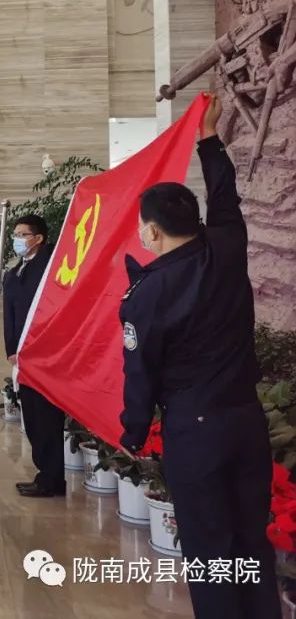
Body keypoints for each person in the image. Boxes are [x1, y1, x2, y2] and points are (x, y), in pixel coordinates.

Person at [119, 95, 279, 619]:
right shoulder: (227, 249)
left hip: (196, 430)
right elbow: (226, 197)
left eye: (142, 226)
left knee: (210, 547)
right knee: (250, 539)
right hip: (245, 421)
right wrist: (208, 138)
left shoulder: (147, 294)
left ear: (153, 231)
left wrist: (133, 432)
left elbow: (140, 372)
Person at [4, 215, 60, 498]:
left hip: (44, 354)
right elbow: (10, 314)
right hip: (23, 356)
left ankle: (52, 478)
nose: (17, 239)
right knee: (33, 416)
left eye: (23, 234)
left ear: (38, 239)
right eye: (15, 234)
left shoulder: (51, 269)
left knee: (46, 416)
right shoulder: (15, 272)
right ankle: (45, 474)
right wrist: (11, 349)